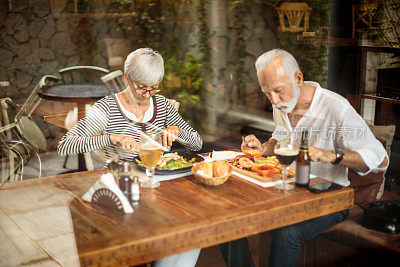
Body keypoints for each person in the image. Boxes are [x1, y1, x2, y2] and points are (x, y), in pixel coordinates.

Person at [231, 49, 388, 267]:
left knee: (286, 234)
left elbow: (381, 160)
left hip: (329, 198)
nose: (274, 101)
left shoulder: (337, 108)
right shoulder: (283, 106)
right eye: (267, 93)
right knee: (230, 217)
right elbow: (280, 139)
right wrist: (262, 148)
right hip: (288, 190)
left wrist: (331, 156)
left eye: (278, 91)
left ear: (298, 78)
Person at [58, 48, 202, 267]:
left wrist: (178, 132)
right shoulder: (106, 108)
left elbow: (197, 143)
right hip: (124, 188)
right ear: (127, 78)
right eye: (141, 87)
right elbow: (66, 145)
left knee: (195, 228)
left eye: (154, 87)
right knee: (175, 228)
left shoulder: (162, 105)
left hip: (160, 185)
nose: (147, 94)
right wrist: (110, 137)